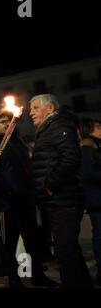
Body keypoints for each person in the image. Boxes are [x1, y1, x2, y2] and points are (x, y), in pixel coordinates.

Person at [0, 111, 58, 288]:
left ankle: (37, 274)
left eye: (9, 121)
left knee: (32, 240)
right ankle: (14, 279)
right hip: (6, 202)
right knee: (10, 244)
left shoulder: (16, 141)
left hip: (25, 200)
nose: (7, 124)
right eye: (2, 122)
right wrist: (4, 190)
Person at [29, 93, 92, 288]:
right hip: (58, 199)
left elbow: (70, 158)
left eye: (35, 108)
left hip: (63, 198)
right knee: (69, 249)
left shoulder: (58, 126)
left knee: (64, 250)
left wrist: (50, 185)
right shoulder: (50, 128)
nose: (31, 113)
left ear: (50, 108)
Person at [79, 118, 101, 284]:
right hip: (96, 199)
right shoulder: (88, 146)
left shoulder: (94, 145)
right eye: (99, 127)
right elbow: (88, 173)